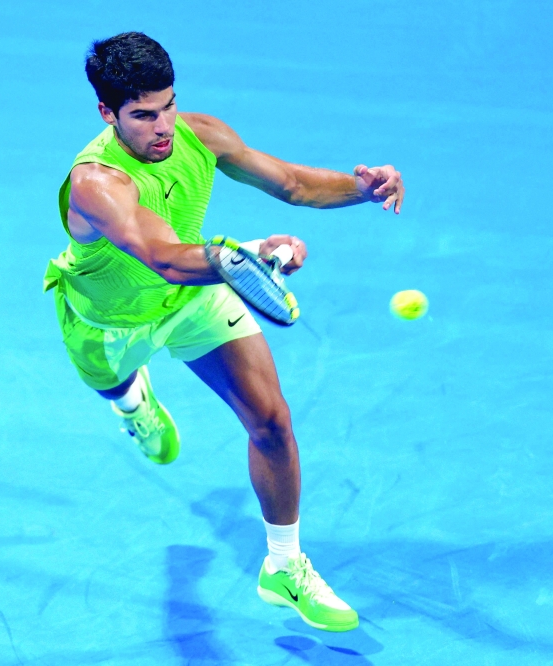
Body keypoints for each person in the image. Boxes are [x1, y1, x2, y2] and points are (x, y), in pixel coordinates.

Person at [43, 31, 405, 633]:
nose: (161, 127)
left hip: (191, 297)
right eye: (141, 116)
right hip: (110, 322)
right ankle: (134, 403)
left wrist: (360, 189)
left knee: (272, 419)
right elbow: (160, 254)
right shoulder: (96, 183)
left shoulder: (199, 134)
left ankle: (284, 567)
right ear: (108, 113)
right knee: (115, 385)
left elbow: (290, 182)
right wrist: (248, 253)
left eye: (167, 106)